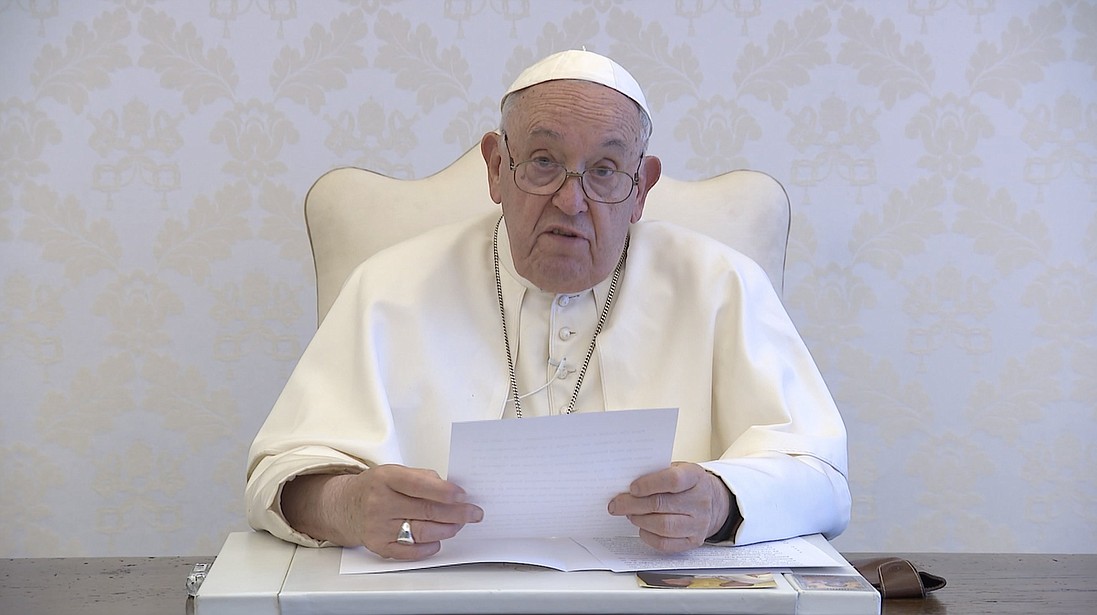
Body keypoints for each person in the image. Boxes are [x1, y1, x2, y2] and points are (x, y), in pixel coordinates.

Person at [246, 50, 850, 561]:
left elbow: (822, 477)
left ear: (641, 188)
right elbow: (278, 479)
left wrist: (720, 500)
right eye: (543, 163)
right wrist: (347, 506)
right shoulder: (389, 286)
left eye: (606, 171)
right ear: (495, 167)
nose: (571, 201)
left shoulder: (723, 286)